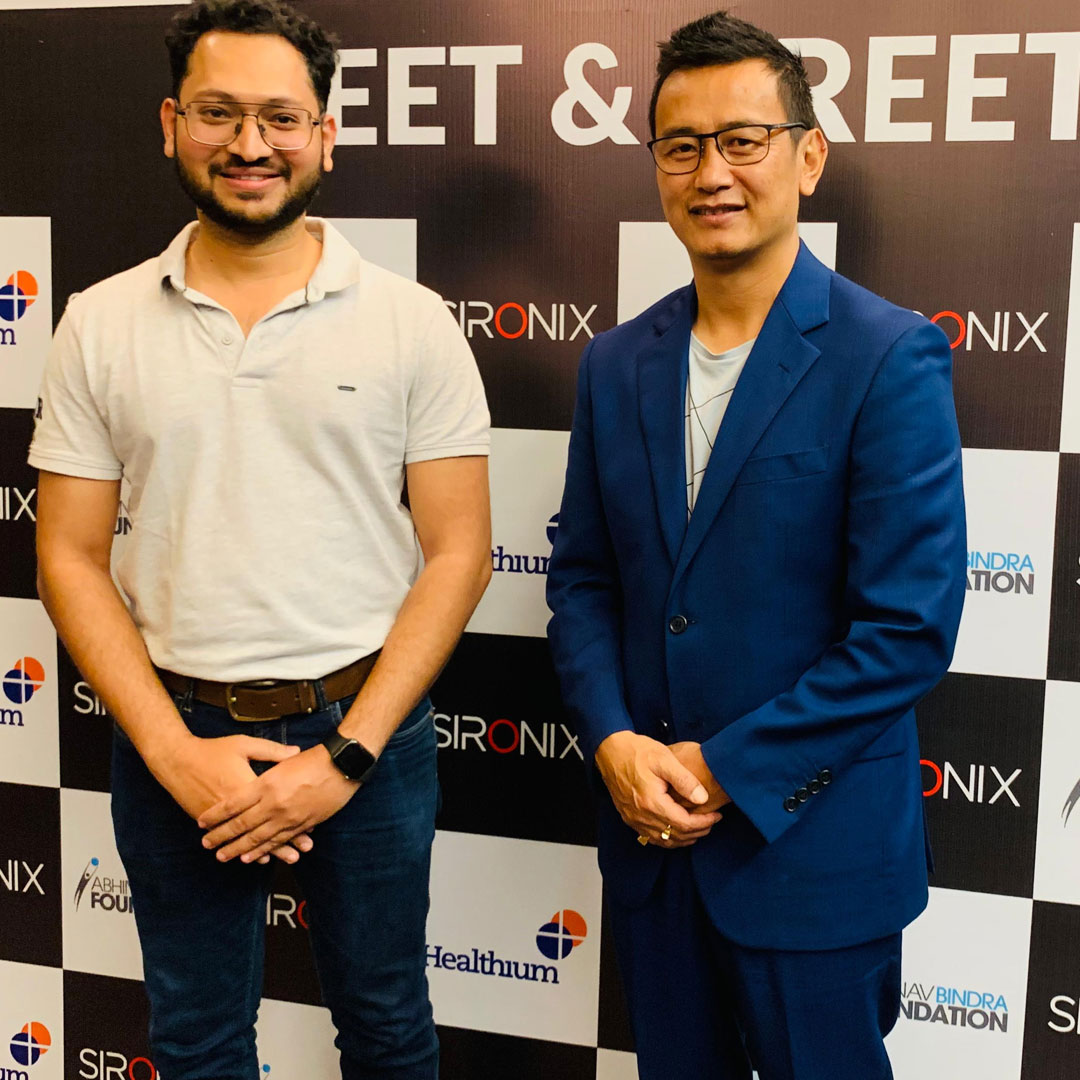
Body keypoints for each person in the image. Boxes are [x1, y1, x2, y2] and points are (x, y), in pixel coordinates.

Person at [30, 1, 491, 1077]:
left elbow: (460, 554)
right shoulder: (99, 321)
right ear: (170, 125)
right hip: (173, 733)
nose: (250, 144)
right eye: (219, 113)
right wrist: (173, 755)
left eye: (280, 117)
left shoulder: (410, 321)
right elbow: (67, 556)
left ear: (325, 135)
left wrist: (345, 757)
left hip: (367, 733)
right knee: (195, 1045)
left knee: (388, 1031)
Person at [546, 10, 966, 1079]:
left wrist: (723, 770)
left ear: (808, 156)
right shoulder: (613, 364)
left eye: (743, 140)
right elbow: (585, 579)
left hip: (813, 859)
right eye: (682, 146)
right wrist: (612, 742)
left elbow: (908, 629)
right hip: (653, 853)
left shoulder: (889, 354)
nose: (712, 173)